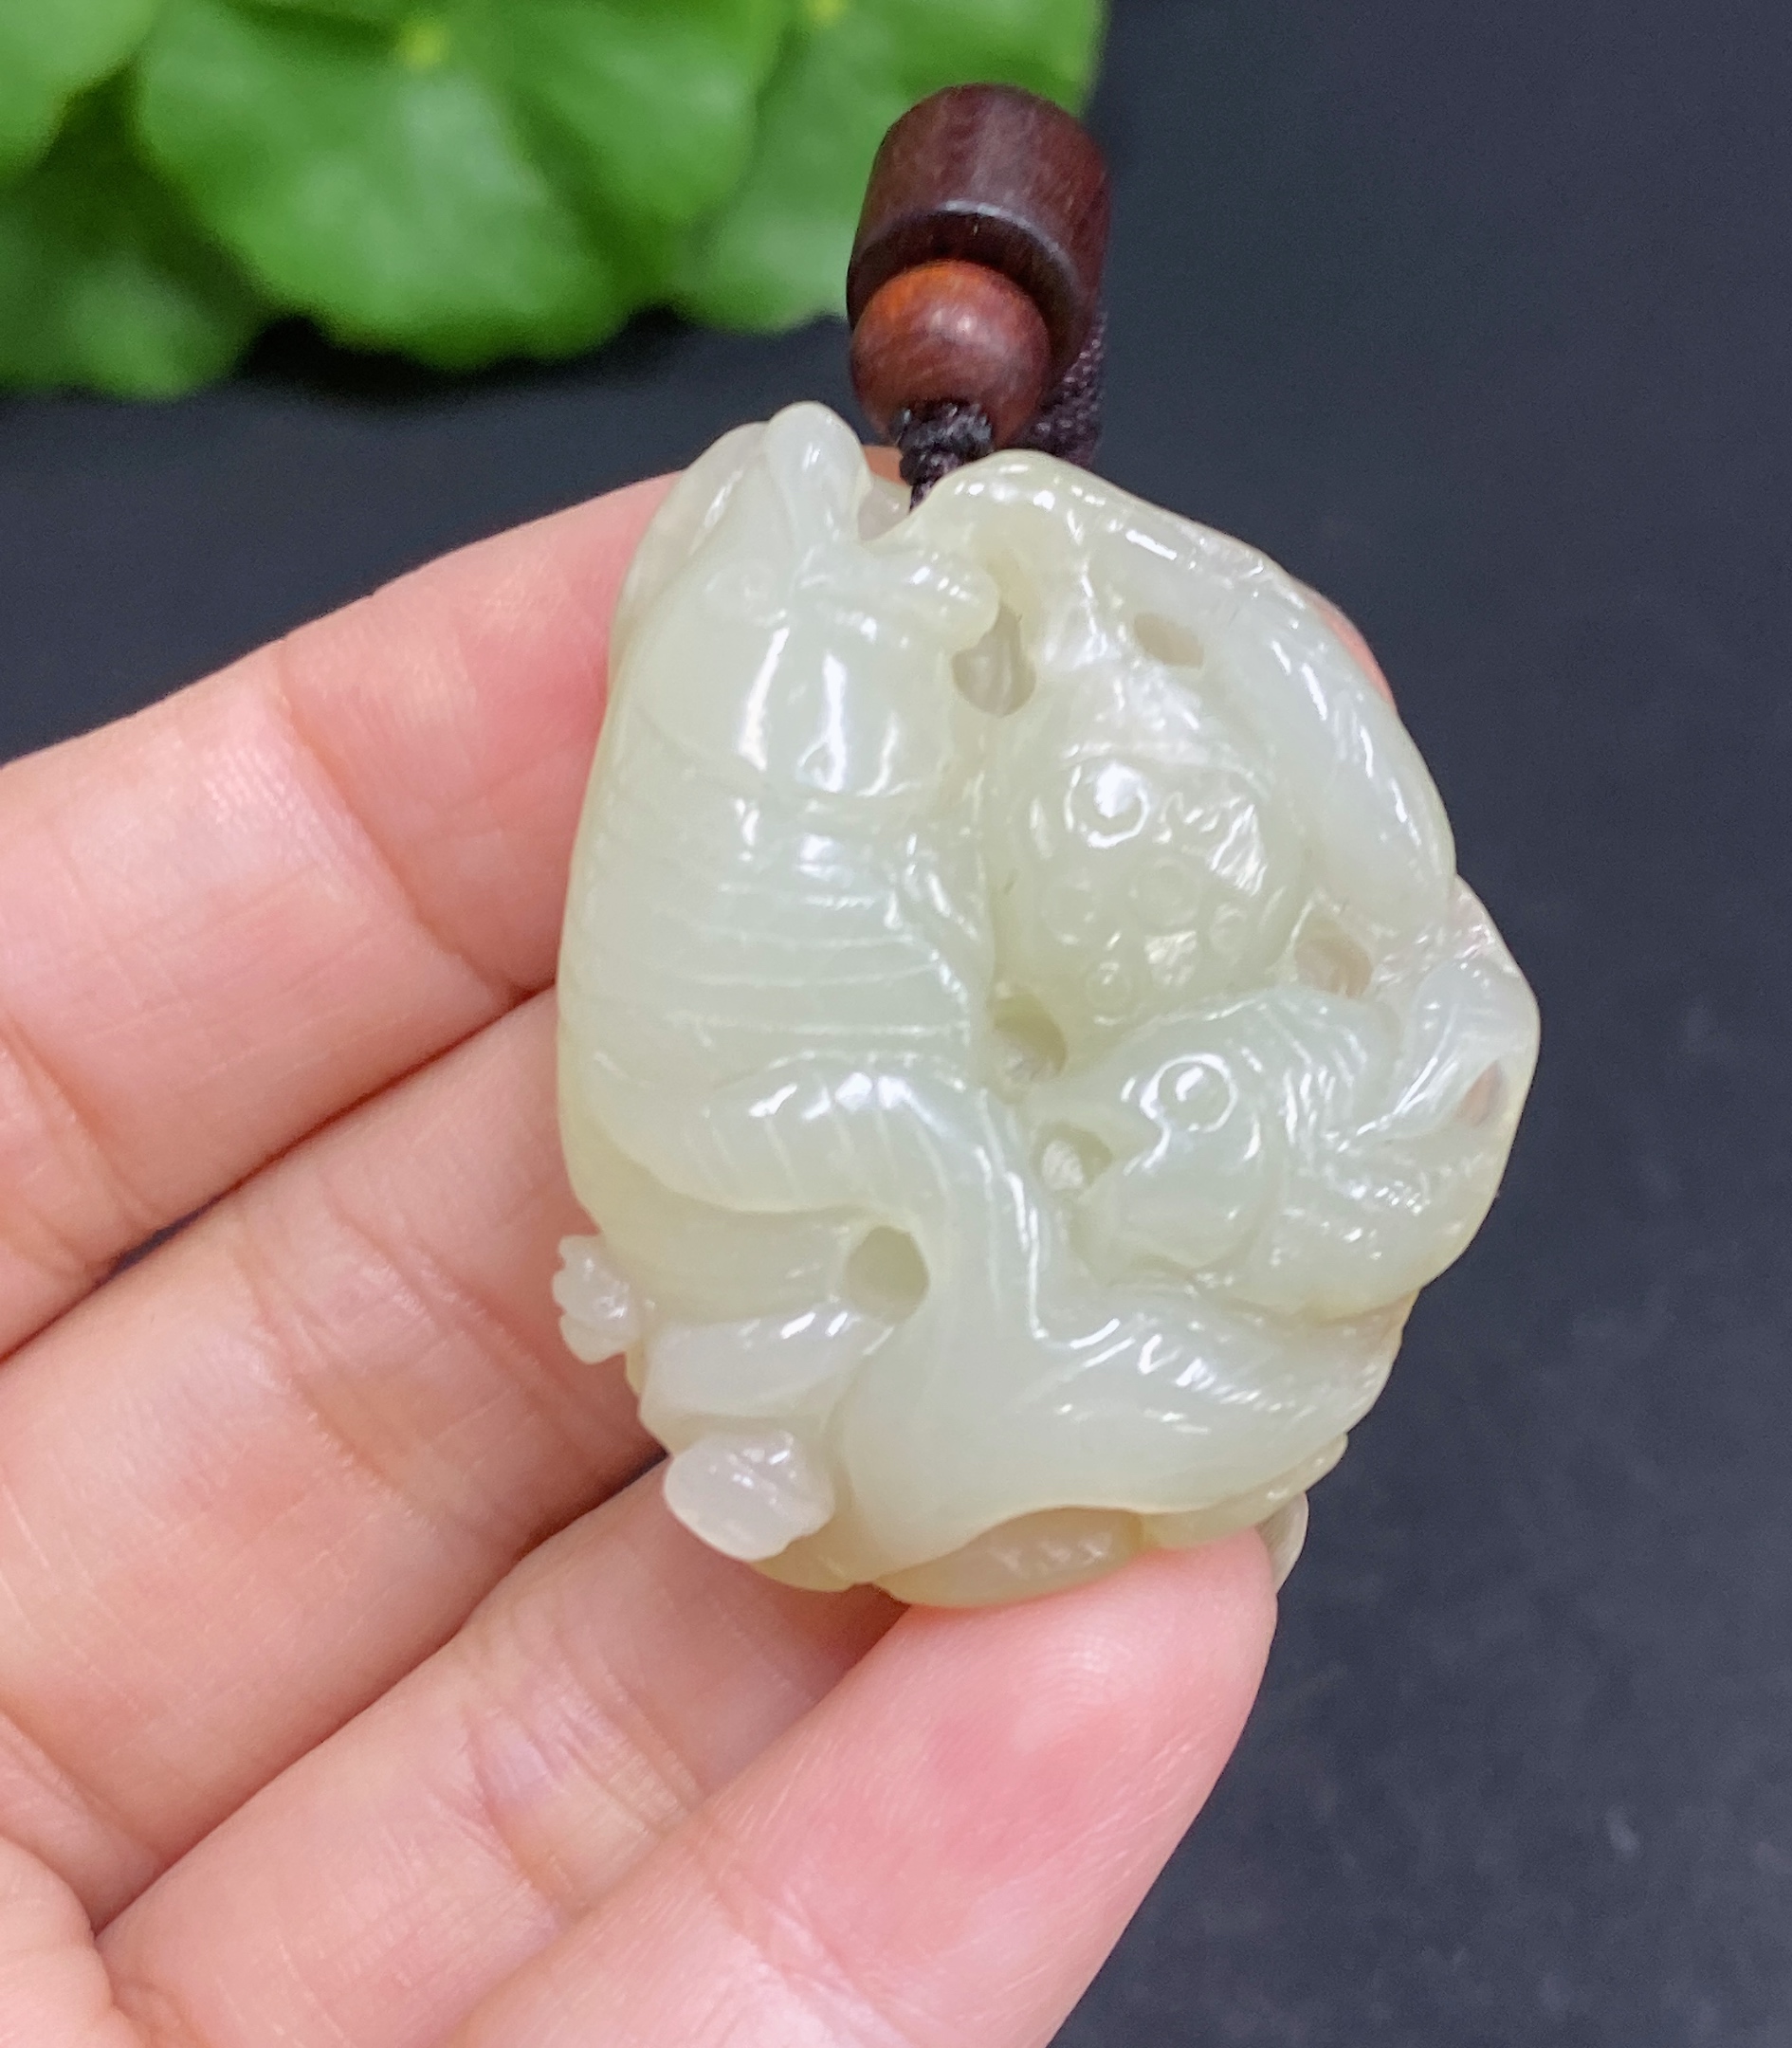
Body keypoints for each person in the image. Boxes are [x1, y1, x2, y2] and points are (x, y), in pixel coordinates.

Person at [0, 474, 1288, 2045]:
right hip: (762, 1108)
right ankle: (886, 1390)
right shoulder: (800, 675)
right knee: (915, 1179)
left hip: (791, 1101)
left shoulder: (834, 672)